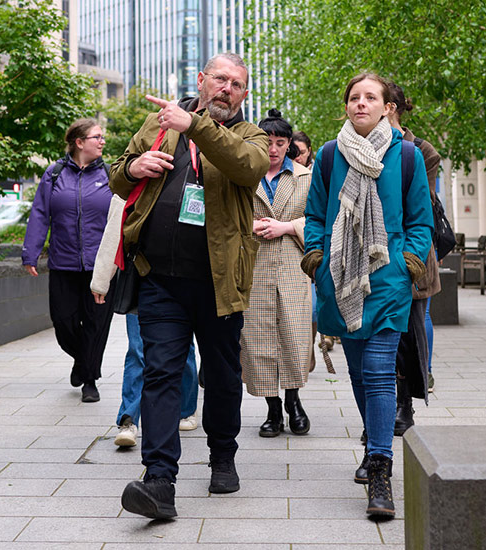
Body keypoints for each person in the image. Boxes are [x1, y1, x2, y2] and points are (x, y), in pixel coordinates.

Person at [109, 52, 268, 520]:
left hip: (221, 284)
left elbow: (246, 167)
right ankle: (159, 479)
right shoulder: (161, 123)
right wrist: (133, 169)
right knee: (161, 373)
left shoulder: (248, 134)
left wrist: (195, 126)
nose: (226, 89)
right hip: (159, 279)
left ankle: (222, 455)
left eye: (237, 84)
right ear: (201, 80)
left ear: (244, 94)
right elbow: (119, 175)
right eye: (220, 79)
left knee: (221, 376)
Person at [301, 73, 433, 520]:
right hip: (339, 279)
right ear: (346, 107)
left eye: (370, 97)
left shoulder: (408, 155)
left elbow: (420, 222)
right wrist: (318, 259)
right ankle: (372, 439)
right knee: (358, 373)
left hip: (389, 282)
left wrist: (407, 265)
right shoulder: (329, 154)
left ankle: (381, 468)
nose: (361, 103)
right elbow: (315, 213)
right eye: (354, 97)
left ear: (386, 106)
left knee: (378, 371)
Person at [89, 196, 200, 448]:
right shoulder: (135, 171)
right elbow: (114, 227)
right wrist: (101, 279)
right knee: (138, 349)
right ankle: (128, 419)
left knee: (184, 349)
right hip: (141, 279)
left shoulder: (193, 168)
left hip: (185, 277)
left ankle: (185, 408)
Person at [22, 118, 113, 404]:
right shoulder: (54, 173)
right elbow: (40, 213)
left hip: (100, 266)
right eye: (97, 137)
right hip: (63, 263)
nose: (102, 141)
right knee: (63, 322)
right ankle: (82, 360)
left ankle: (90, 379)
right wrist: (30, 252)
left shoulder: (111, 174)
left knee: (97, 324)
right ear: (79, 142)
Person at [242, 109, 313, 438]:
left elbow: (319, 221)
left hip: (292, 265)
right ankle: (272, 410)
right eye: (267, 142)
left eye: (280, 143)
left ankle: (294, 402)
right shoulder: (243, 175)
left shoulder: (305, 177)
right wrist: (250, 226)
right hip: (253, 268)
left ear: (289, 146)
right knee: (258, 342)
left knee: (295, 339)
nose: (272, 149)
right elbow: (225, 216)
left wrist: (287, 226)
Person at [384, 81, 443, 437]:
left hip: (411, 257)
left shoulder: (420, 151)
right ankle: (379, 408)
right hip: (371, 257)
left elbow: (422, 210)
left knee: (408, 335)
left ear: (390, 107)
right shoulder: (357, 145)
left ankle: (404, 404)